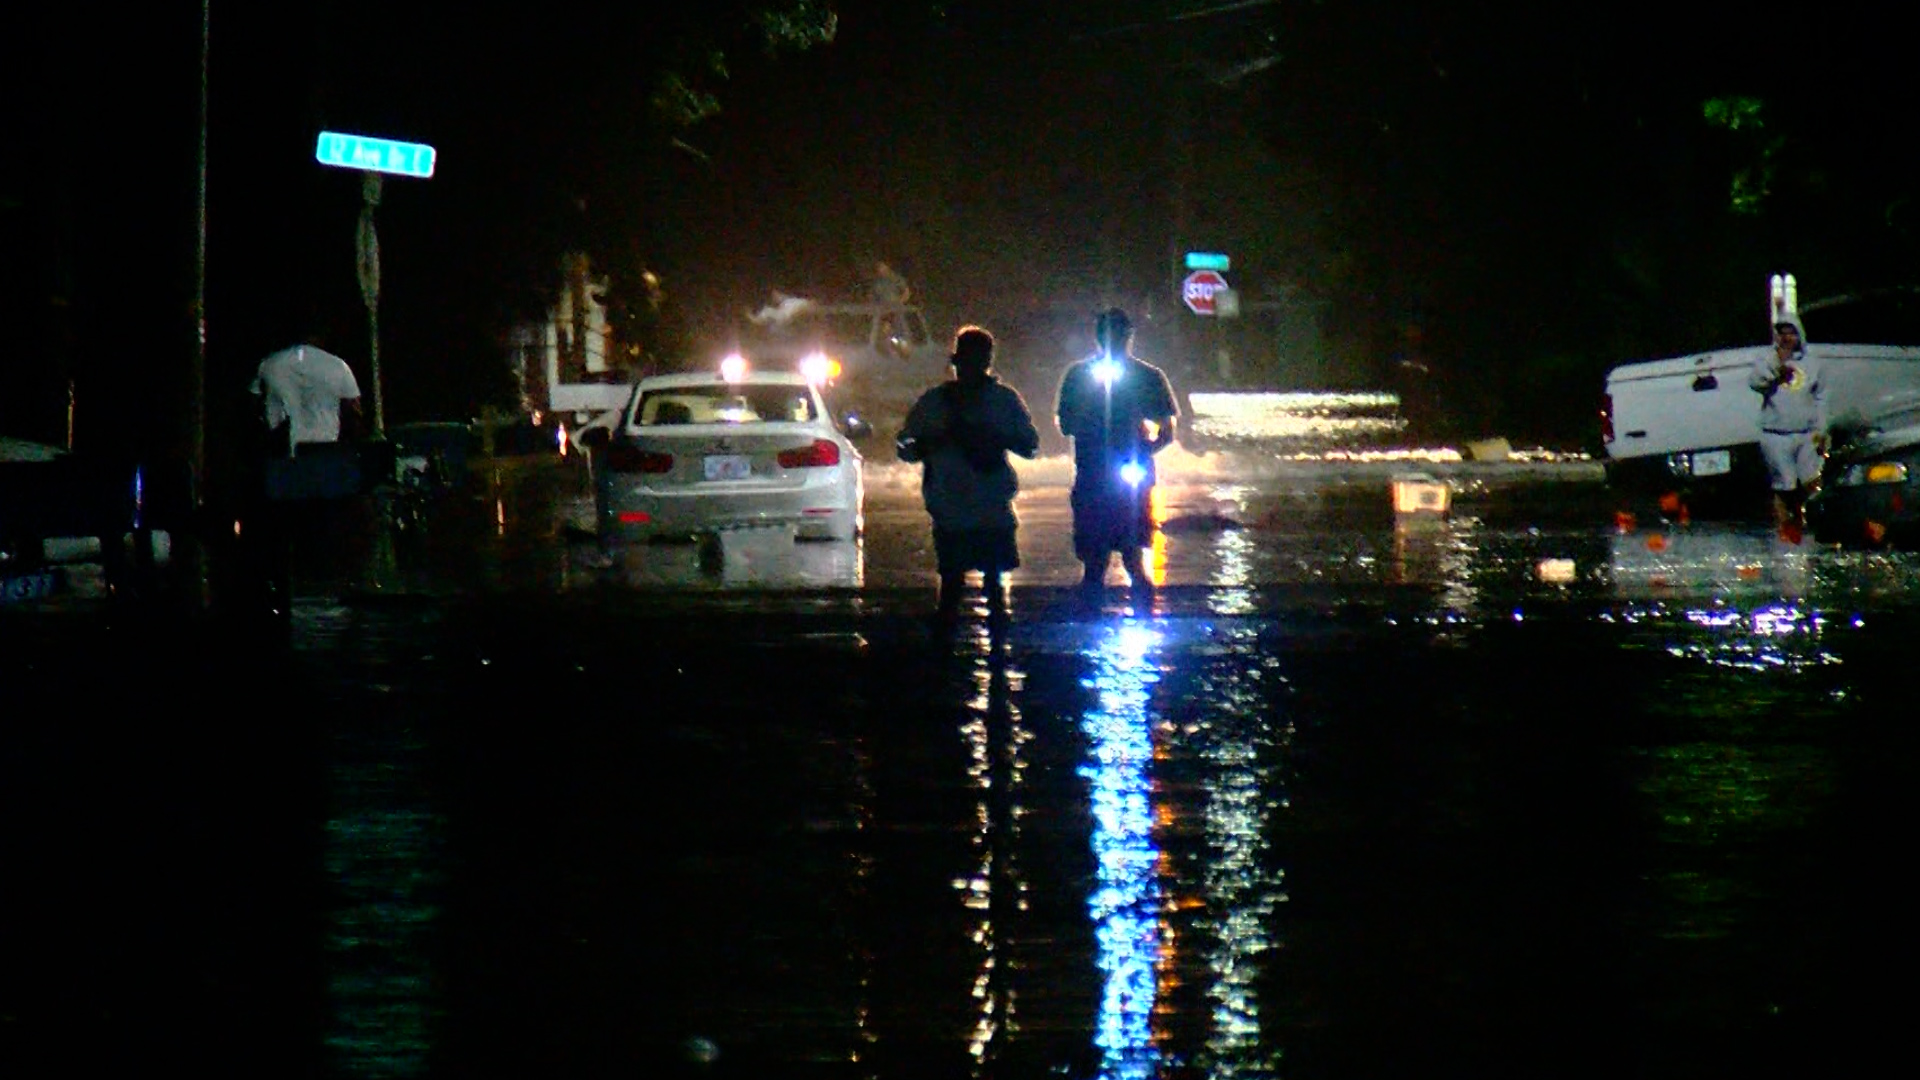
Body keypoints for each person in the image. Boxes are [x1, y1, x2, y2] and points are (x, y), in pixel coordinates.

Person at [896, 325, 1040, 625]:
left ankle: (951, 661)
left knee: (962, 592)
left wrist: (989, 436)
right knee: (979, 593)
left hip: (975, 509)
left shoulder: (943, 401)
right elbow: (906, 446)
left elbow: (1028, 445)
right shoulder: (988, 400)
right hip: (968, 510)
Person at [1055, 308, 1179, 610]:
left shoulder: (1146, 376)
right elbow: (1067, 423)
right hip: (1094, 473)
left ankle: (1133, 613)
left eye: (1119, 334)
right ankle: (1097, 619)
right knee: (1095, 562)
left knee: (1133, 556)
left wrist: (1145, 451)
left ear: (1128, 336)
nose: (1115, 340)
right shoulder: (1081, 376)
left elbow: (1166, 428)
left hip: (1122, 474)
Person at [1748, 311, 1827, 541]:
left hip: (1806, 432)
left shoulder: (1813, 362)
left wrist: (1822, 430)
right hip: (1776, 433)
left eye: (1791, 333)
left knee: (1811, 480)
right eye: (1782, 334)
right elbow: (1755, 383)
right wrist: (1776, 364)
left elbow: (1821, 397)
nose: (1787, 338)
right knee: (1784, 484)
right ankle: (1784, 528)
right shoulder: (1766, 359)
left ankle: (1811, 525)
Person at [250, 339, 364, 456]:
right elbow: (354, 411)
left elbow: (255, 401)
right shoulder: (338, 366)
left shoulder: (270, 364)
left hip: (283, 450)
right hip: (327, 449)